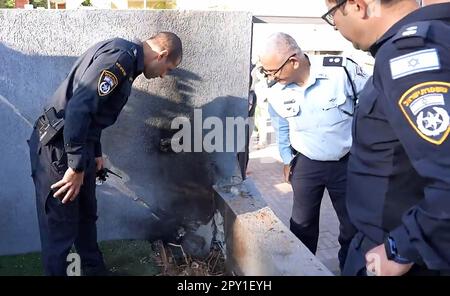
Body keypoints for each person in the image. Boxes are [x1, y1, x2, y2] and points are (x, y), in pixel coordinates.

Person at [28, 32, 182, 276]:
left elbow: (95, 114)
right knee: (62, 231)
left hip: (79, 146)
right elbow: (79, 108)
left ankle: (94, 271)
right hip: (60, 150)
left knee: (86, 217)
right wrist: (76, 167)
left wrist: (96, 152)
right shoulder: (120, 59)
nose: (164, 75)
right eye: (168, 68)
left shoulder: (127, 60)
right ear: (161, 54)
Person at [323, 0, 450, 275]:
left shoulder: (409, 51)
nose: (335, 26)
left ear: (358, 6)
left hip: (397, 252)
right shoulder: (433, 36)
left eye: (332, 15)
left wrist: (402, 247)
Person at [258, 32, 368, 270]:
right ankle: (302, 270)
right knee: (301, 225)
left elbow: (371, 105)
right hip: (307, 163)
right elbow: (282, 125)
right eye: (266, 72)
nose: (271, 78)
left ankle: (349, 269)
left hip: (347, 162)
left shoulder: (341, 72)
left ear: (294, 61)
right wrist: (288, 159)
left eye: (273, 71)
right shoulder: (276, 90)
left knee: (352, 225)